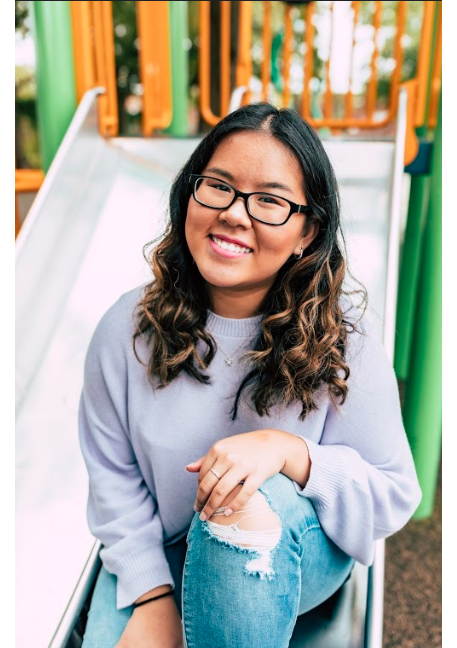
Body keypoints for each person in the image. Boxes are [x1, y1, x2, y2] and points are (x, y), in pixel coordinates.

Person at [78, 103, 422, 648]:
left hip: (290, 547)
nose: (236, 214)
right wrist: (152, 596)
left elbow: (394, 494)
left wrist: (289, 452)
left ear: (308, 230)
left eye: (270, 200)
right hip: (166, 548)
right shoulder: (126, 329)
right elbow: (113, 475)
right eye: (218, 186)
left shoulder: (344, 345)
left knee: (243, 509)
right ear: (189, 193)